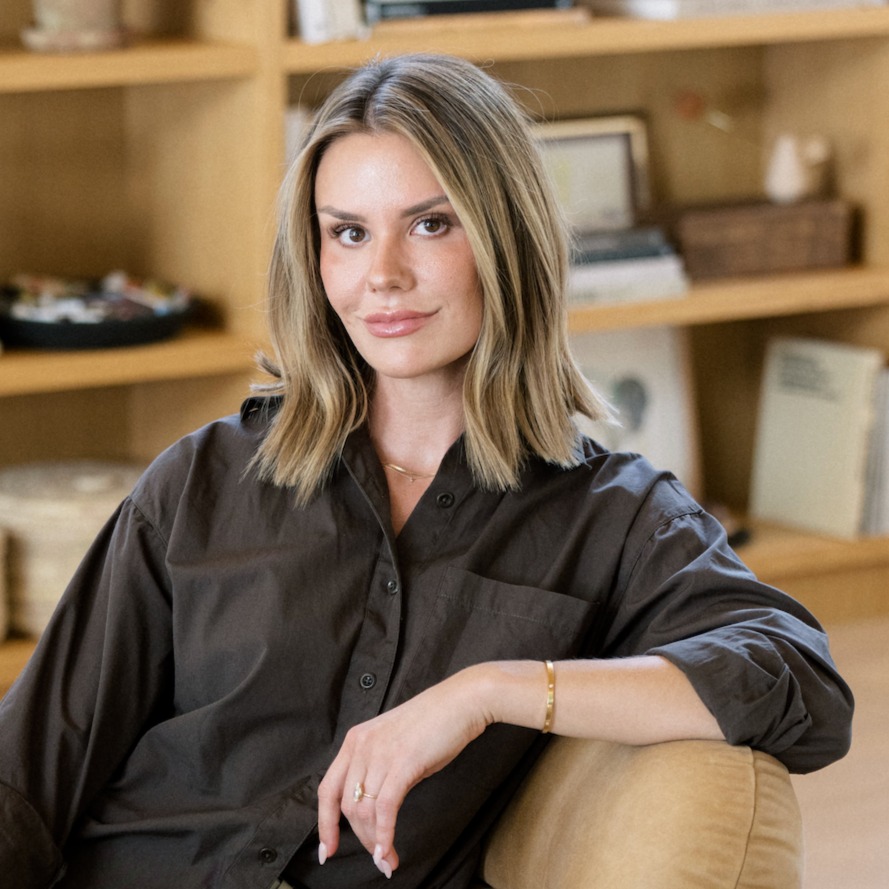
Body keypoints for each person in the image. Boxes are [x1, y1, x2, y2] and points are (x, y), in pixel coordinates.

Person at [0, 52, 852, 889]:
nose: (383, 277)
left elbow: (798, 685)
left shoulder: (615, 519)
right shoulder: (203, 480)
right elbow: (28, 779)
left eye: (431, 224)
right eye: (348, 232)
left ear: (505, 238)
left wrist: (489, 691)